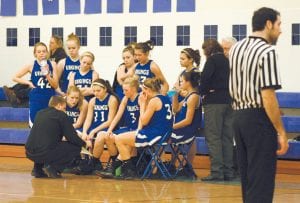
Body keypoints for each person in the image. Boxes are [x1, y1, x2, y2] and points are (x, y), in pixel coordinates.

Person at [229, 7, 289, 203]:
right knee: (261, 180)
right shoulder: (267, 51)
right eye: (279, 24)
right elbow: (268, 96)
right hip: (258, 119)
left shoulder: (236, 48)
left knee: (248, 178)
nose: (280, 30)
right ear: (268, 24)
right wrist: (280, 131)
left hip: (238, 117)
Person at [114, 78, 173, 179]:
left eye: (143, 90)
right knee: (124, 138)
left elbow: (144, 120)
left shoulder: (154, 101)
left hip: (155, 135)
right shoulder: (165, 98)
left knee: (119, 139)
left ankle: (129, 170)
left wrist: (142, 104)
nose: (142, 92)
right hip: (164, 134)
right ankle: (119, 167)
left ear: (148, 90)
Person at [25, 95, 91, 178]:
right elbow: (72, 137)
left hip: (29, 151)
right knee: (76, 147)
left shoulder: (40, 113)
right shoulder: (61, 115)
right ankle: (54, 168)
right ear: (59, 105)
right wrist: (84, 144)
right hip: (44, 152)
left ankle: (37, 169)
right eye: (64, 108)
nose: (64, 110)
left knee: (42, 144)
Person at [200, 39, 235, 182]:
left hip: (214, 102)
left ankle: (217, 172)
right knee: (227, 137)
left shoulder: (212, 60)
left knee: (214, 137)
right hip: (229, 101)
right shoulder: (229, 60)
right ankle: (228, 171)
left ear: (208, 50)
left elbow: (204, 81)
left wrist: (204, 90)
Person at [94, 76, 140, 176]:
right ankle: (116, 164)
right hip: (127, 128)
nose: (123, 92)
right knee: (106, 136)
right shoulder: (125, 99)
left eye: (126, 90)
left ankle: (115, 167)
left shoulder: (140, 98)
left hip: (137, 129)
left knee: (124, 140)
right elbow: (117, 116)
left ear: (133, 89)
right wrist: (109, 130)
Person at [13, 42, 58, 127]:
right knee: (36, 125)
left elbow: (55, 85)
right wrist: (29, 83)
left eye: (44, 51)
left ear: (47, 53)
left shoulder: (52, 64)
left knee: (50, 126)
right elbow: (15, 77)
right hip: (36, 98)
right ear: (35, 54)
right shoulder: (31, 65)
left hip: (50, 98)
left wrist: (47, 75)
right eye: (39, 51)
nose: (42, 53)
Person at [171, 71, 202, 177]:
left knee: (160, 137)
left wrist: (172, 127)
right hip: (180, 129)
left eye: (181, 81)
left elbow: (188, 120)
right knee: (161, 136)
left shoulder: (193, 97)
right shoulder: (188, 96)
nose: (180, 83)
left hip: (186, 131)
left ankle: (160, 165)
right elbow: (175, 109)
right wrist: (175, 94)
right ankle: (169, 165)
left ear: (188, 82)